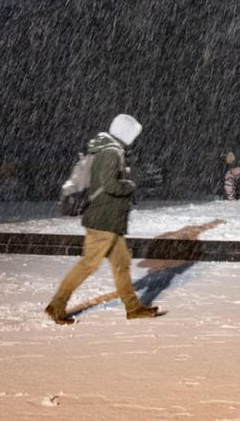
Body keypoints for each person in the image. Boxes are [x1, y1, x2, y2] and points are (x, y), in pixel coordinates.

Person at [45, 114, 164, 325]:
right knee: (87, 265)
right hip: (103, 221)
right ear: (125, 133)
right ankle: (57, 305)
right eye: (133, 134)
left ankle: (133, 307)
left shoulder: (110, 150)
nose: (134, 138)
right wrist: (131, 185)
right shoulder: (110, 153)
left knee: (121, 265)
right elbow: (110, 185)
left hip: (110, 221)